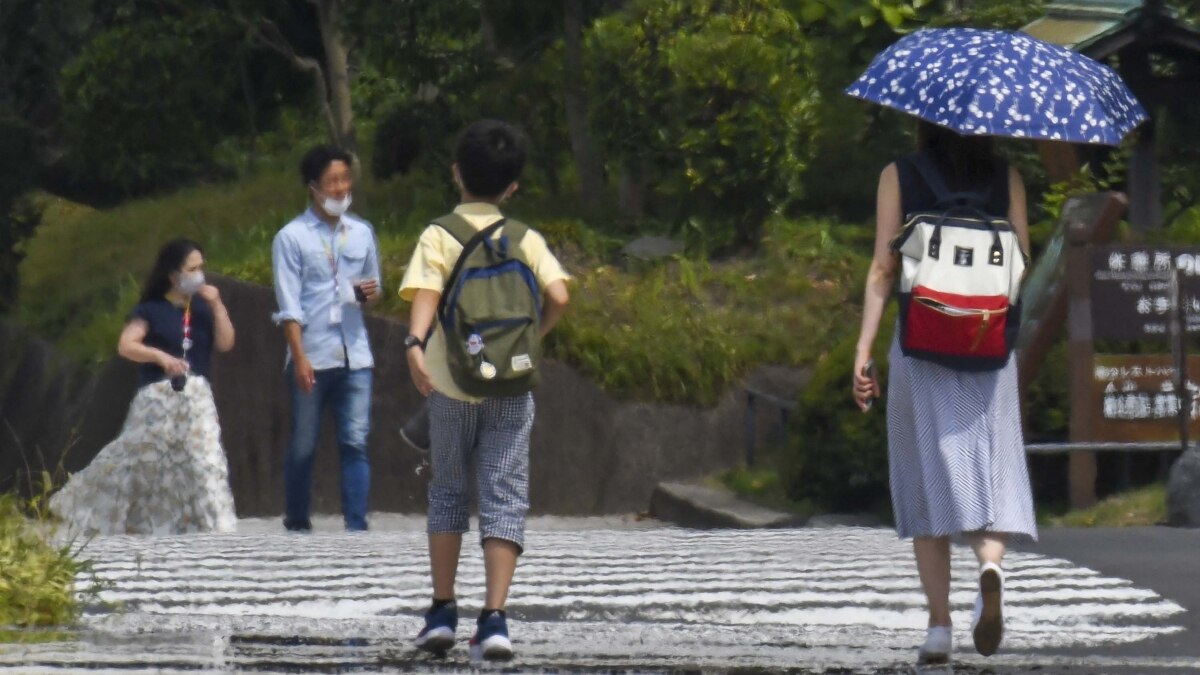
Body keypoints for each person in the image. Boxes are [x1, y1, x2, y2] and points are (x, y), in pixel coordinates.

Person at [852, 122, 1037, 665]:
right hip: (988, 345)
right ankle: (990, 562)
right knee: (992, 466)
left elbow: (884, 268)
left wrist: (863, 348)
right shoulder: (1008, 177)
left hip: (920, 345)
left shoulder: (899, 175)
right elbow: (1021, 261)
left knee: (923, 477)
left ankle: (938, 626)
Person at [400, 120, 570, 661]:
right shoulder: (526, 238)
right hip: (512, 384)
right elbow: (561, 296)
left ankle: (442, 613)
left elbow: (426, 294)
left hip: (450, 381)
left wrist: (414, 343)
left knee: (449, 489)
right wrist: (530, 340)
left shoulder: (438, 234)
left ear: (457, 173)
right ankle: (494, 620)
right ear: (512, 185)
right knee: (505, 493)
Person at [50, 238, 237, 535]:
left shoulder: (203, 308)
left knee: (206, 461)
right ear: (173, 274)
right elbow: (127, 345)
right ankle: (109, 512)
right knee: (143, 458)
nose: (199, 274)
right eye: (192, 268)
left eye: (202, 267)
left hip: (198, 396)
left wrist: (217, 304)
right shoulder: (150, 310)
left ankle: (212, 523)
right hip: (158, 395)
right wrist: (160, 357)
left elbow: (226, 342)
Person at [271, 145, 382, 532]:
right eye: (333, 181)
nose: (341, 188)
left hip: (356, 354)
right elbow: (289, 304)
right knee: (304, 444)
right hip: (313, 353)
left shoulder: (363, 232)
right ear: (313, 187)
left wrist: (366, 293)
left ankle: (356, 524)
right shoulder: (291, 237)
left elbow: (374, 287)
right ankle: (298, 521)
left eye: (345, 179)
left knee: (355, 441)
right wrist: (299, 357)